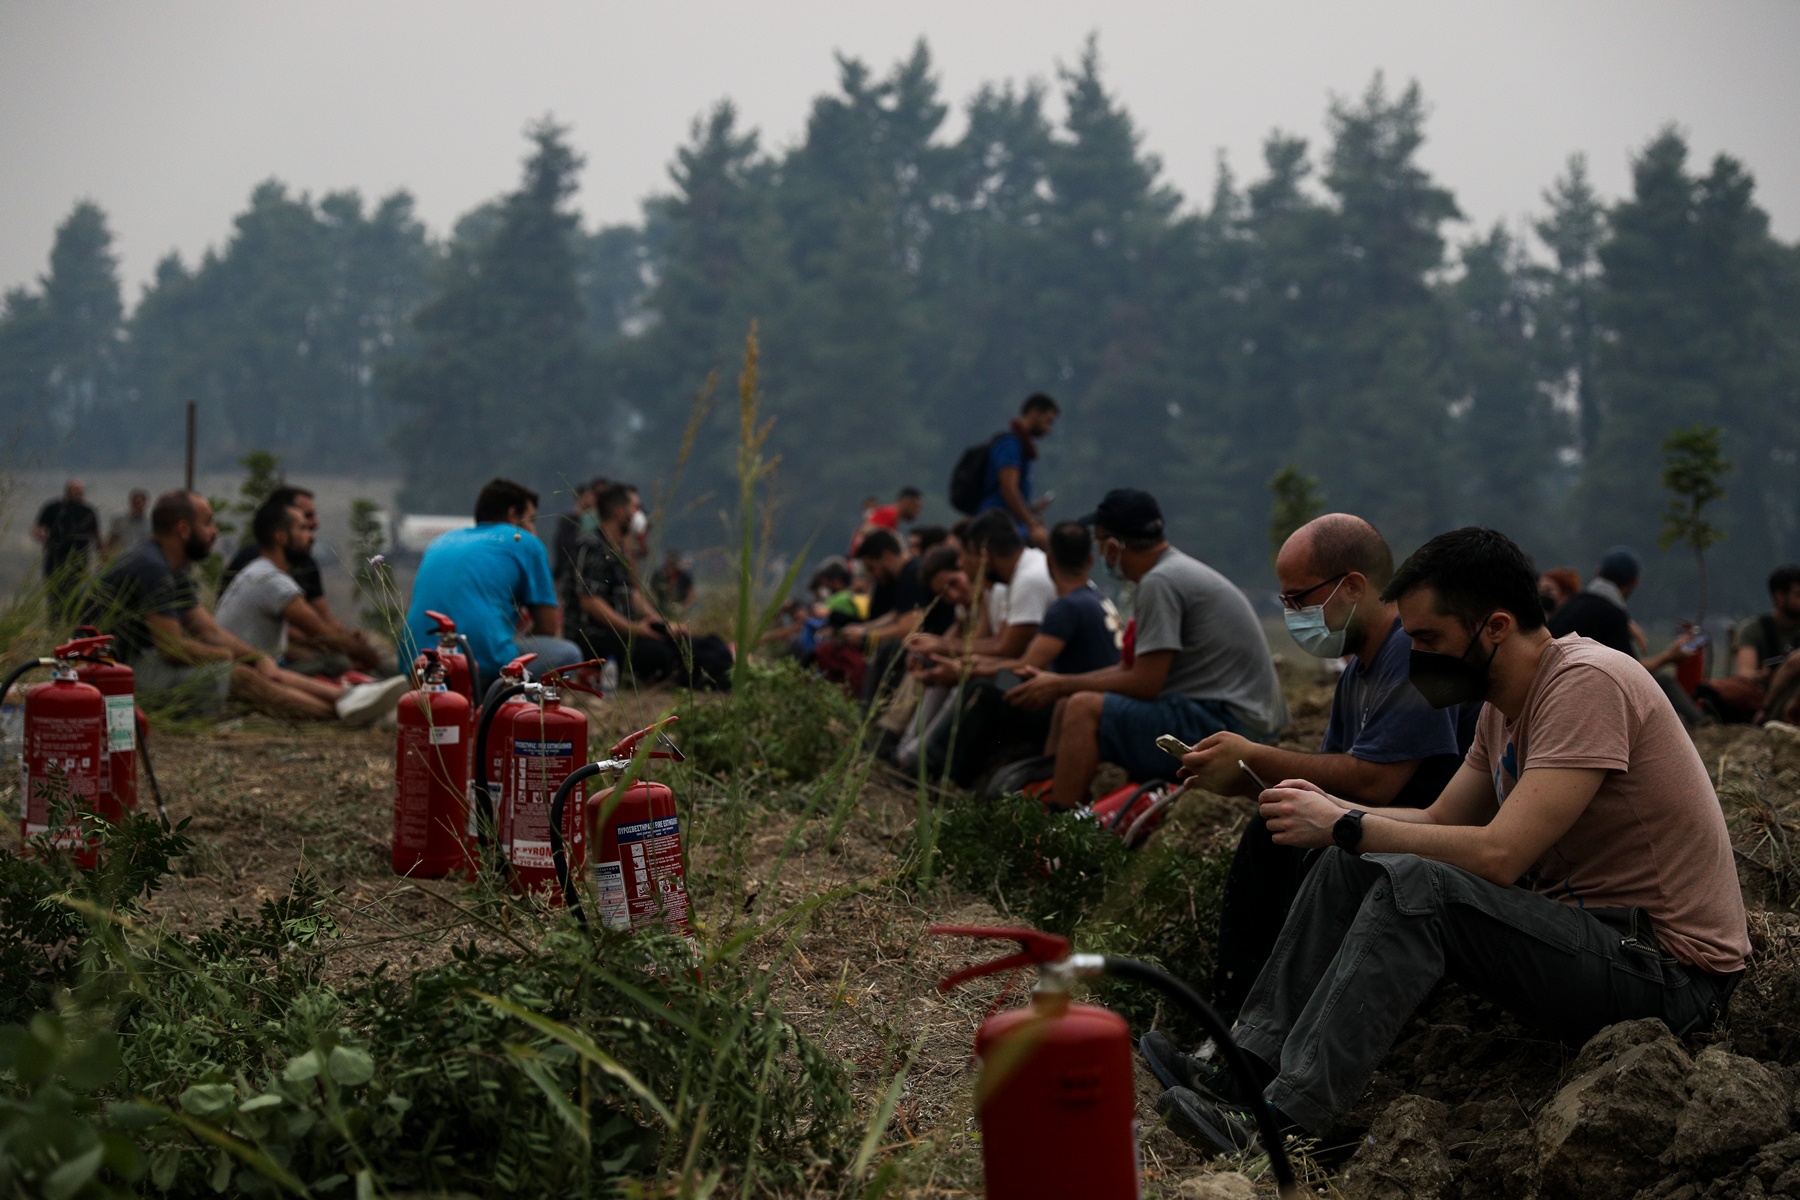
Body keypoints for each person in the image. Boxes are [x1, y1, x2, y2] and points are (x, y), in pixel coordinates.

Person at [1156, 527, 1747, 1156]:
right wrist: (1332, 812)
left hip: (1669, 973)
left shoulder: (1587, 684)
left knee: (1418, 884)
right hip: (1595, 939)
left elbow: (1501, 854)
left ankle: (1286, 1122)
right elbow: (1438, 821)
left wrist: (1349, 822)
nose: (1419, 658)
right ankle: (1245, 1068)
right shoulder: (1501, 706)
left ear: (1493, 627)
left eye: (1430, 640)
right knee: (1348, 861)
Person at [1144, 514, 1475, 1049]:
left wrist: (1256, 755)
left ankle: (1265, 1041)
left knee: (1309, 850)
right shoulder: (1358, 673)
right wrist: (1245, 782)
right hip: (1381, 825)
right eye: (1287, 603)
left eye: (1300, 599)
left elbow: (1375, 783)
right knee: (1273, 831)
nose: (1293, 614)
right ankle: (1236, 1019)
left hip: (1424, 840)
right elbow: (1327, 787)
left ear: (1353, 586)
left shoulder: (1410, 657)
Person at [1006, 489, 1287, 811]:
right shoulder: (1172, 572)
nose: (1098, 553)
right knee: (1068, 701)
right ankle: (1047, 796)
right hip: (1237, 716)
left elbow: (1144, 683)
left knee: (1082, 708)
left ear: (1113, 546)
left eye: (1099, 543)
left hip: (1229, 727)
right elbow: (1134, 670)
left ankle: (1059, 832)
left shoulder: (1160, 583)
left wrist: (1061, 684)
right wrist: (1055, 684)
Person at [85, 491, 401, 723]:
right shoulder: (151, 567)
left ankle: (348, 700)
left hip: (141, 666)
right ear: (183, 530)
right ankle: (344, 717)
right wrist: (232, 659)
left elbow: (207, 629)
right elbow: (172, 648)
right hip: (114, 675)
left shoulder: (171, 567)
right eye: (208, 523)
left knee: (251, 663)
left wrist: (253, 656)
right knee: (238, 676)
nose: (215, 532)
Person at [400, 479, 584, 690]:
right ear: (513, 515)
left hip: (416, 665)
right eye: (531, 519)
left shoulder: (443, 540)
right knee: (568, 654)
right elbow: (548, 626)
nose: (532, 528)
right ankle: (506, 713)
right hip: (480, 666)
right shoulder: (523, 541)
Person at [565, 484, 731, 690]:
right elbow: (591, 602)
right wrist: (634, 629)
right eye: (634, 508)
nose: (639, 514)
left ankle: (727, 669)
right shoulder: (590, 547)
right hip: (595, 635)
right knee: (661, 654)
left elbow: (631, 593)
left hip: (624, 629)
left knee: (704, 644)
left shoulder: (619, 550)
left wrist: (662, 624)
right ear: (619, 512)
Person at [218, 503, 393, 680]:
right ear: (281, 537)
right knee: (340, 665)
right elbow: (323, 633)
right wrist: (370, 656)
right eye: (302, 529)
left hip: (253, 667)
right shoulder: (272, 582)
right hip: (251, 674)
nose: (311, 536)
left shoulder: (258, 570)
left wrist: (348, 639)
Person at [1545, 546, 1700, 724]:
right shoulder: (1611, 613)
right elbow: (1631, 670)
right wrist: (1668, 657)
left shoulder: (1572, 604)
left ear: (1598, 572)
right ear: (1634, 581)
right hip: (1580, 692)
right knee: (1663, 680)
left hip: (1554, 687)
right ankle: (1703, 723)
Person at [1701, 563, 1800, 724]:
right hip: (1766, 697)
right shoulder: (1754, 629)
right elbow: (1745, 673)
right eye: (1798, 594)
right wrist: (1764, 675)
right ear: (1779, 596)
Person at [975, 393, 1059, 546]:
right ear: (1034, 412)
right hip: (998, 524)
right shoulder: (1010, 443)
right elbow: (1009, 488)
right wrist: (1032, 525)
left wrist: (1031, 509)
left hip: (1009, 522)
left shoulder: (1020, 445)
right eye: (1048, 421)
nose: (1049, 429)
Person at [33, 479, 101, 614]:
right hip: (55, 561)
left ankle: (72, 628)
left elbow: (96, 536)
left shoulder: (88, 511)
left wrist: (103, 554)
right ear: (68, 492)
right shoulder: (52, 508)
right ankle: (55, 627)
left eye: (81, 492)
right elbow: (37, 528)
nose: (80, 495)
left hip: (79, 563)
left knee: (76, 596)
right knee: (55, 596)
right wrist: (42, 536)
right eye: (77, 492)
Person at [105, 489, 152, 558]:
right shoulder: (119, 519)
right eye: (136, 503)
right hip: (122, 556)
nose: (138, 507)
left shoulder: (150, 522)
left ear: (145, 503)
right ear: (131, 503)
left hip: (143, 557)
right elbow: (112, 538)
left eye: (140, 503)